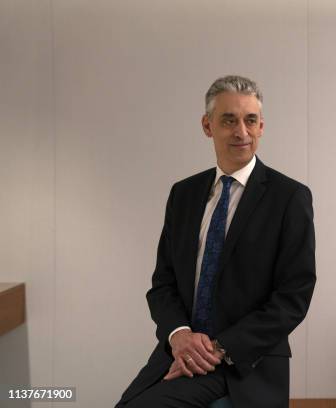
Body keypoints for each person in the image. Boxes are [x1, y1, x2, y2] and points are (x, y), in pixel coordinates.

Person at [115, 75, 316, 408]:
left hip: (245, 360)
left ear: (262, 126)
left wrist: (219, 348)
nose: (242, 131)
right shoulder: (183, 194)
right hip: (181, 349)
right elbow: (162, 284)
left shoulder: (289, 197)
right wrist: (178, 334)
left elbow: (293, 297)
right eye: (228, 120)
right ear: (207, 126)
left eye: (251, 120)